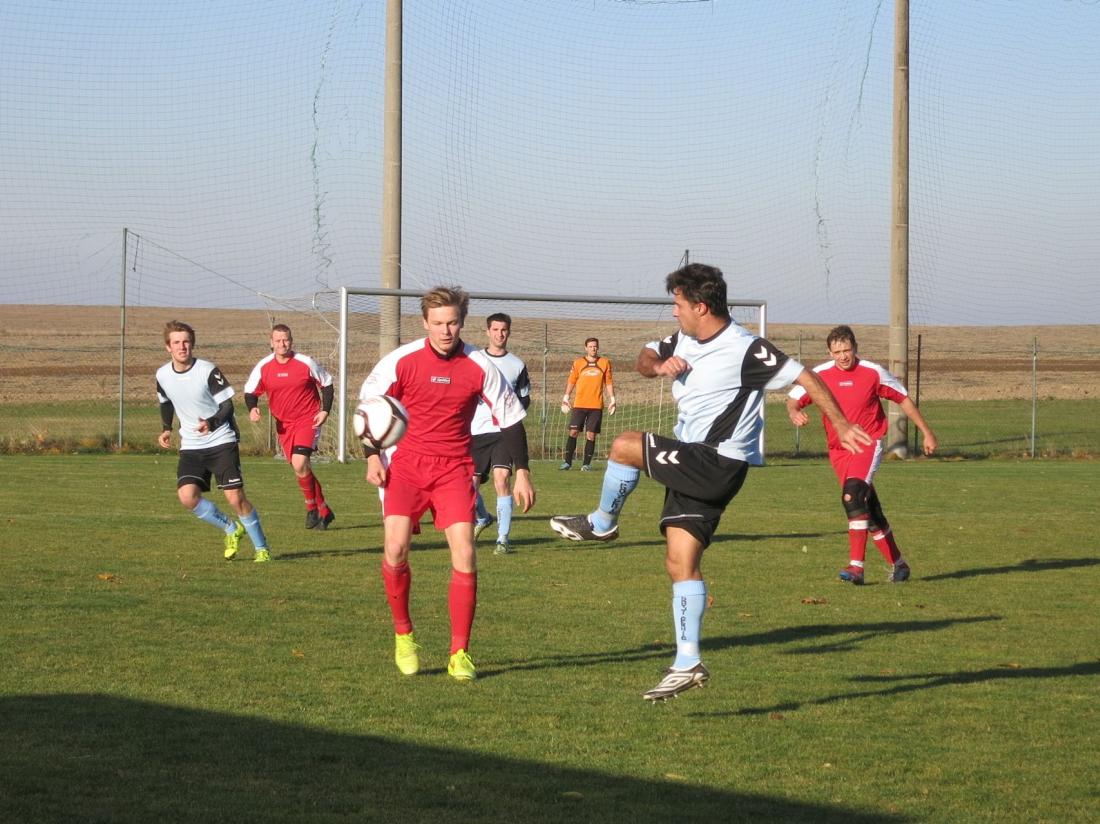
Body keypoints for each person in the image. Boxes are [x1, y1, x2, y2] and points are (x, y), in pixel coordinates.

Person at [549, 264, 871, 702]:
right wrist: (659, 365)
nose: (674, 312)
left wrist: (842, 423)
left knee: (624, 445)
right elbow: (644, 358)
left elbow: (805, 376)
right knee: (679, 561)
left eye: (678, 304)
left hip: (717, 459)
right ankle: (688, 662)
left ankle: (602, 522)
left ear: (700, 306)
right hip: (694, 459)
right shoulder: (682, 339)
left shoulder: (745, 348)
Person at [360, 286, 535, 683]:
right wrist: (372, 455)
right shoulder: (401, 361)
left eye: (452, 323)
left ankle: (460, 653)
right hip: (406, 466)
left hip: (454, 468)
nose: (445, 331)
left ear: (462, 322)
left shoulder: (479, 365)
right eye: (438, 323)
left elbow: (511, 420)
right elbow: (369, 409)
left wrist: (522, 471)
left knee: (466, 553)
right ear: (425, 322)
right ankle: (404, 635)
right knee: (395, 549)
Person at [786, 324, 938, 585]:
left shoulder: (872, 372)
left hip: (867, 444)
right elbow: (793, 398)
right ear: (829, 352)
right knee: (869, 510)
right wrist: (794, 411)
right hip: (839, 451)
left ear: (855, 348)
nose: (843, 356)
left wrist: (927, 432)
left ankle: (856, 567)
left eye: (847, 350)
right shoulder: (819, 375)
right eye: (837, 352)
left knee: (852, 496)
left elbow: (902, 398)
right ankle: (899, 565)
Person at [156, 320, 271, 563]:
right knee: (187, 496)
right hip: (191, 445)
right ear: (168, 347)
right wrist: (167, 429)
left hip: (221, 440)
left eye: (186, 341)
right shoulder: (162, 375)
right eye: (176, 342)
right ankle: (231, 528)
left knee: (235, 498)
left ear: (192, 344)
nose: (182, 347)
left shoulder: (207, 370)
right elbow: (165, 402)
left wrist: (212, 422)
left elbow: (227, 405)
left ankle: (261, 549)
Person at [244, 324, 336, 530]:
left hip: (308, 420)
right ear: (271, 342)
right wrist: (253, 408)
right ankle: (324, 510)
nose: (282, 344)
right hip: (284, 425)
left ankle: (311, 508)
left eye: (285, 340)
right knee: (301, 468)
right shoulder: (264, 366)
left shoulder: (305, 362)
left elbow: (327, 383)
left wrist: (325, 410)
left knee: (299, 462)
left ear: (291, 341)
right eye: (278, 340)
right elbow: (250, 392)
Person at [470, 313, 532, 556]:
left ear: (509, 332)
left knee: (502, 479)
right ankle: (483, 517)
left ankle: (503, 539)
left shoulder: (517, 365)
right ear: (488, 332)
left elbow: (525, 398)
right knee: (469, 487)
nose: (500, 334)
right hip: (475, 432)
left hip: (503, 433)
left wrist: (509, 410)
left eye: (504, 329)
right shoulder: (475, 360)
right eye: (495, 329)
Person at [559, 337, 615, 471]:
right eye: (590, 346)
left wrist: (612, 399)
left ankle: (586, 464)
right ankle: (567, 463)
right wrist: (566, 397)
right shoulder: (578, 363)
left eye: (595, 346)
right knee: (573, 432)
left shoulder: (605, 363)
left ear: (598, 347)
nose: (593, 348)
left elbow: (608, 382)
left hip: (596, 406)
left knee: (591, 434)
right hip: (579, 405)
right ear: (586, 348)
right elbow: (571, 380)